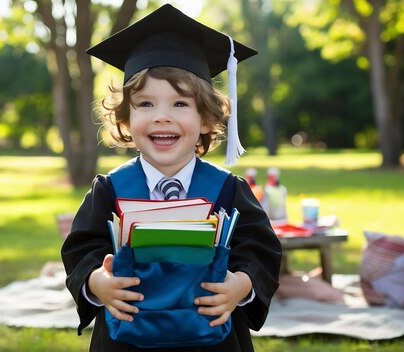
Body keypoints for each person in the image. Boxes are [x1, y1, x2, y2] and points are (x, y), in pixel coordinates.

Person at [61, 4, 282, 351]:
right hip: (126, 336)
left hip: (214, 336)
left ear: (206, 119)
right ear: (125, 120)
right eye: (145, 104)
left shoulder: (227, 190)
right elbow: (81, 250)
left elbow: (260, 251)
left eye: (180, 104)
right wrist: (97, 281)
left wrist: (239, 285)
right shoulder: (109, 190)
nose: (162, 117)